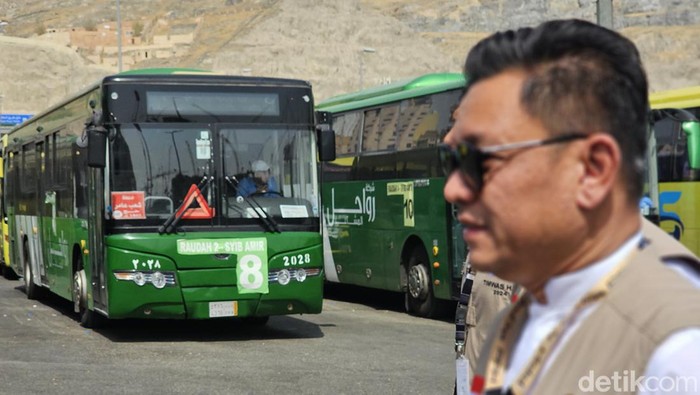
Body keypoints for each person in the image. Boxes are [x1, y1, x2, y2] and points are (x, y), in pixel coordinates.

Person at [441, 19, 700, 394]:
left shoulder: (675, 349)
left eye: (480, 161)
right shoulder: (532, 309)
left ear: (592, 170)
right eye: (451, 159)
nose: (454, 189)